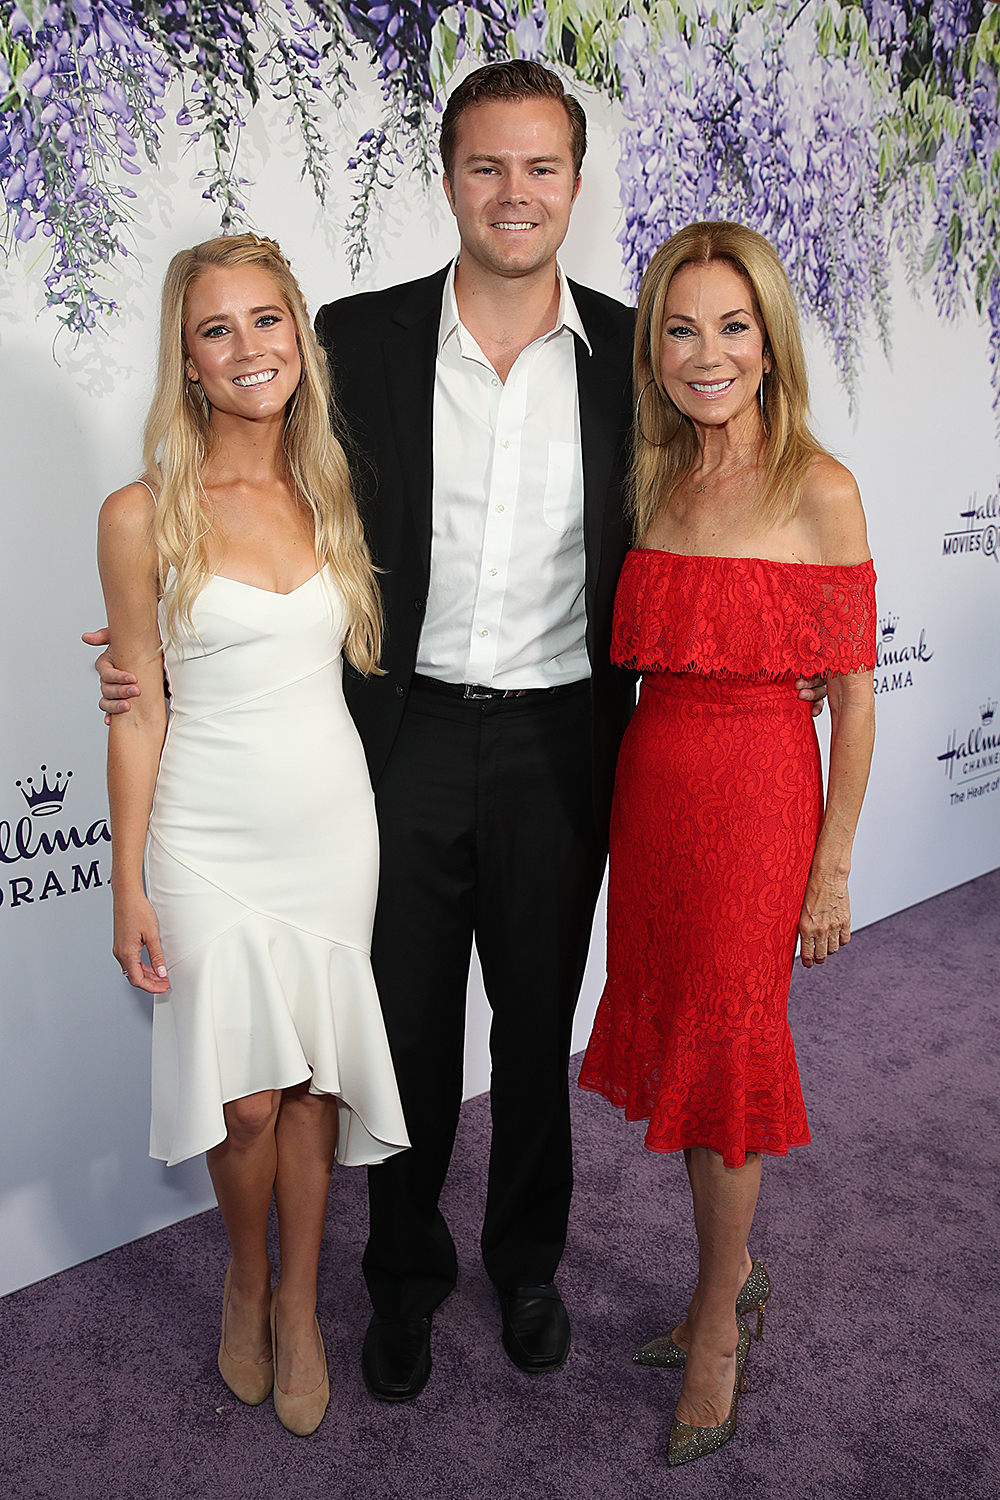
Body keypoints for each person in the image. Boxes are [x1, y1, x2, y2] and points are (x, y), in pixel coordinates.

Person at [91, 64, 826, 1405]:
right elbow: (249, 490)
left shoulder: (637, 364)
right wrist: (163, 645)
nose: (513, 194)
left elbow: (738, 495)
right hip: (399, 739)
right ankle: (402, 1279)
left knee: (535, 1023)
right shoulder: (353, 344)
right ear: (447, 180)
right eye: (487, 167)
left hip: (565, 743)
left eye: (540, 169)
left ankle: (528, 1265)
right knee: (409, 1029)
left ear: (575, 186)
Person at [97, 233, 408, 1437]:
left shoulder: (333, 490)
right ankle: (243, 1271)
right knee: (245, 1101)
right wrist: (124, 878)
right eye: (216, 329)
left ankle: (300, 1306)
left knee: (314, 1080)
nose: (247, 348)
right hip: (203, 832)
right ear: (185, 361)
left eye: (266, 321)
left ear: (299, 336)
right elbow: (140, 707)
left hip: (331, 825)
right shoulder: (143, 515)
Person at [578, 221, 876, 1466]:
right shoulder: (653, 479)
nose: (706, 354)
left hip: (760, 801)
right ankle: (733, 1272)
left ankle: (714, 1323)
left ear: (770, 342)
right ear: (654, 348)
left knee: (731, 1064)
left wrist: (832, 863)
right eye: (681, 328)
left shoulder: (820, 488)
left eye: (731, 327)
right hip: (652, 792)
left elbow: (854, 696)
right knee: (685, 1060)